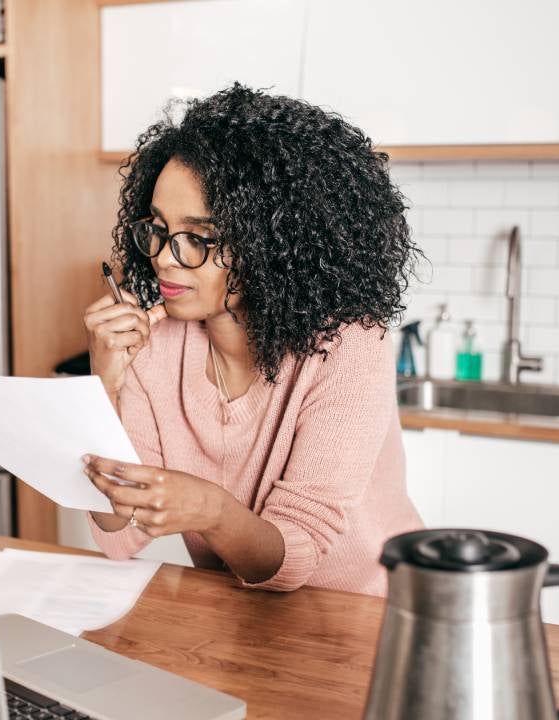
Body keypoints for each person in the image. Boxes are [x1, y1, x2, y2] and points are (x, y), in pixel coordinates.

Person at [81, 84, 423, 596]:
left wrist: (211, 510)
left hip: (372, 619)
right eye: (158, 228)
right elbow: (119, 535)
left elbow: (296, 555)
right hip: (241, 621)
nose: (165, 257)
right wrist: (102, 387)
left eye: (198, 237)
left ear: (274, 245)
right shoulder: (154, 347)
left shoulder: (348, 344)